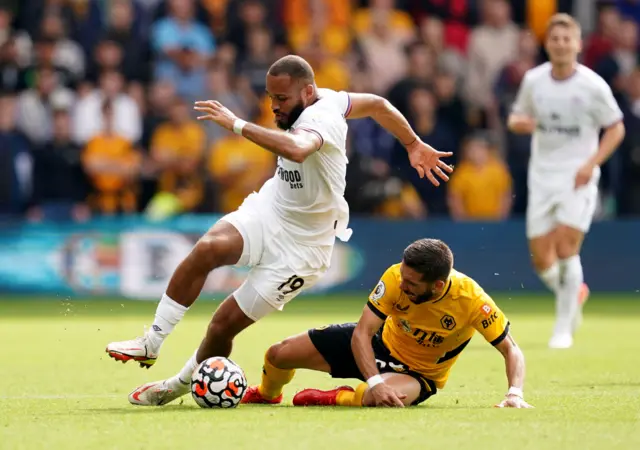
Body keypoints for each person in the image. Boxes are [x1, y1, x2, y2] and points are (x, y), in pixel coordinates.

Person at [105, 55, 453, 405]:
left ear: (308, 91)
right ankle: (151, 342)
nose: (274, 106)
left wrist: (237, 125)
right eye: (270, 97)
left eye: (282, 99)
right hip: (271, 211)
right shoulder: (330, 98)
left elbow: (299, 149)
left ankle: (177, 385)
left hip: (303, 249)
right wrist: (411, 143)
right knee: (208, 248)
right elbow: (378, 105)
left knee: (223, 324)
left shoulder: (323, 117)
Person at [241, 238, 532, 409]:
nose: (402, 285)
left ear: (438, 284)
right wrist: (375, 379)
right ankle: (266, 394)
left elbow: (512, 349)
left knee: (383, 399)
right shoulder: (396, 277)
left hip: (419, 375)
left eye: (412, 283)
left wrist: (514, 394)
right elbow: (362, 333)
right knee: (278, 354)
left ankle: (335, 398)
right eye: (403, 277)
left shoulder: (472, 300)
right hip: (375, 345)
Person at [508, 14, 625, 349]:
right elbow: (516, 116)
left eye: (566, 39)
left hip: (578, 175)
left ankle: (563, 329)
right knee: (542, 259)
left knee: (565, 247)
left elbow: (615, 127)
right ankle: (574, 292)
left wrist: (592, 164)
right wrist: (522, 124)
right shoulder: (534, 80)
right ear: (548, 44)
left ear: (578, 44)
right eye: (555, 39)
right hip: (542, 175)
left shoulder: (592, 85)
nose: (560, 45)